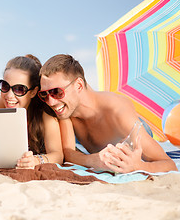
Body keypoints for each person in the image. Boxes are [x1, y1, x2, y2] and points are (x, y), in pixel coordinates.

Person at [38, 54, 177, 173]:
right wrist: (93, 159)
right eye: (44, 94)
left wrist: (139, 166)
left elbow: (169, 165)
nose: (50, 102)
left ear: (79, 85)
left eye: (56, 92)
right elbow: (68, 153)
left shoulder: (117, 112)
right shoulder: (66, 111)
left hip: (131, 133)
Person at [0, 55, 63, 169]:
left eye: (19, 89)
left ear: (33, 92)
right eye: (5, 86)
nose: (9, 95)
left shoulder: (44, 113)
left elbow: (58, 155)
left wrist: (36, 160)